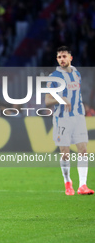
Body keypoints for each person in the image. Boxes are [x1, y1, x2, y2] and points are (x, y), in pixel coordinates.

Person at [45, 46, 94, 196]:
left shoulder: (77, 74)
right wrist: (61, 99)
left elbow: (77, 95)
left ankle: (83, 185)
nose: (62, 59)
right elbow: (47, 101)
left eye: (64, 56)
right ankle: (68, 182)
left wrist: (83, 107)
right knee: (65, 153)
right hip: (62, 119)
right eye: (59, 57)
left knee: (83, 150)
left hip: (78, 117)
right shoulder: (53, 77)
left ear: (70, 58)